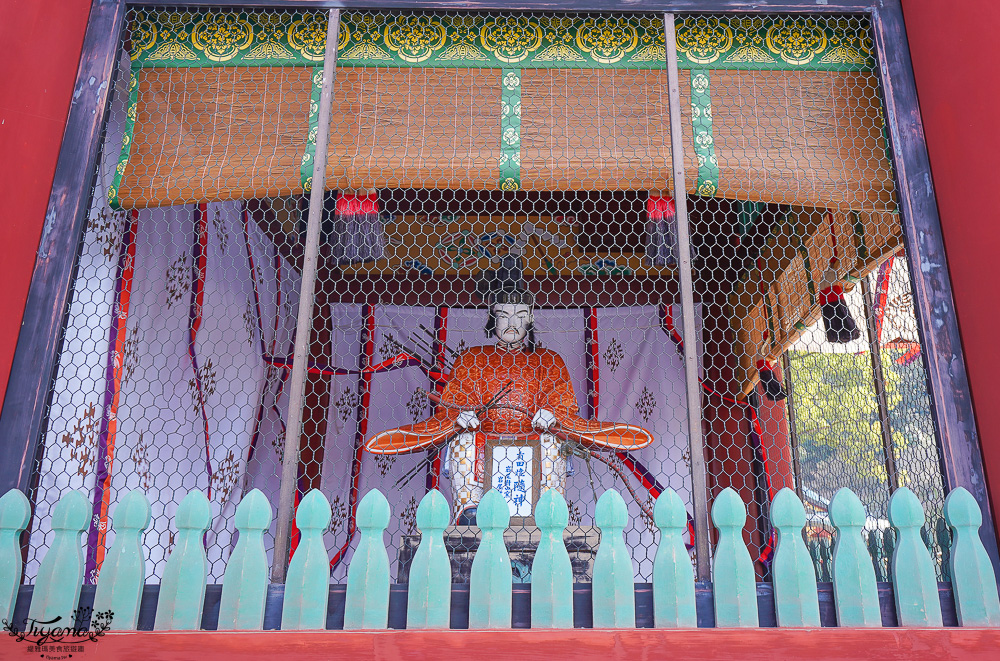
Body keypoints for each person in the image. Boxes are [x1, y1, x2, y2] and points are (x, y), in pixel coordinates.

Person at [364, 285, 653, 523]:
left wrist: (551, 417)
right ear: (492, 319)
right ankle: (470, 511)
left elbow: (564, 408)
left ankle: (547, 512)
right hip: (484, 437)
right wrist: (460, 417)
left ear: (530, 318)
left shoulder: (548, 360)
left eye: (520, 315)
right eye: (503, 315)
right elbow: (452, 405)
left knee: (552, 443)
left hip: (533, 437)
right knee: (463, 442)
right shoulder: (472, 358)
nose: (512, 323)